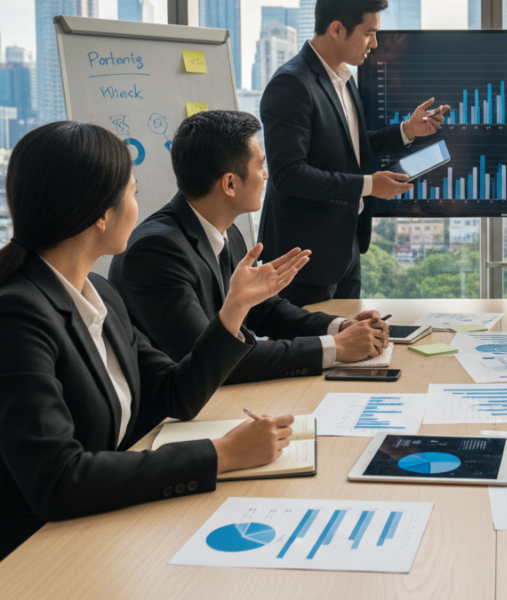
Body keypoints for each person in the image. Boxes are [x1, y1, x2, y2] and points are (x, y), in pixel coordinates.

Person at [0, 122, 307, 559]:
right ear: (99, 214)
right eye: (132, 191)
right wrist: (220, 454)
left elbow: (174, 393)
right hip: (38, 552)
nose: (137, 206)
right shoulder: (17, 315)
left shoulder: (99, 293)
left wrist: (234, 309)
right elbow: (59, 481)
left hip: (103, 524)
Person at [109, 110, 389, 385]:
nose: (266, 175)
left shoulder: (225, 229)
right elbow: (213, 359)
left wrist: (341, 327)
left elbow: (262, 310)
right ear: (230, 183)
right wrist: (335, 348)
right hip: (168, 420)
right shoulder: (156, 251)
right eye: (259, 166)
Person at [259, 0, 450, 305]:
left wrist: (408, 130)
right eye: (368, 32)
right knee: (310, 352)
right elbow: (288, 174)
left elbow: (352, 148)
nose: (374, 43)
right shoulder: (291, 85)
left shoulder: (344, 77)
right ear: (336, 29)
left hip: (344, 249)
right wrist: (368, 185)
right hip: (301, 258)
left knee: (348, 349)